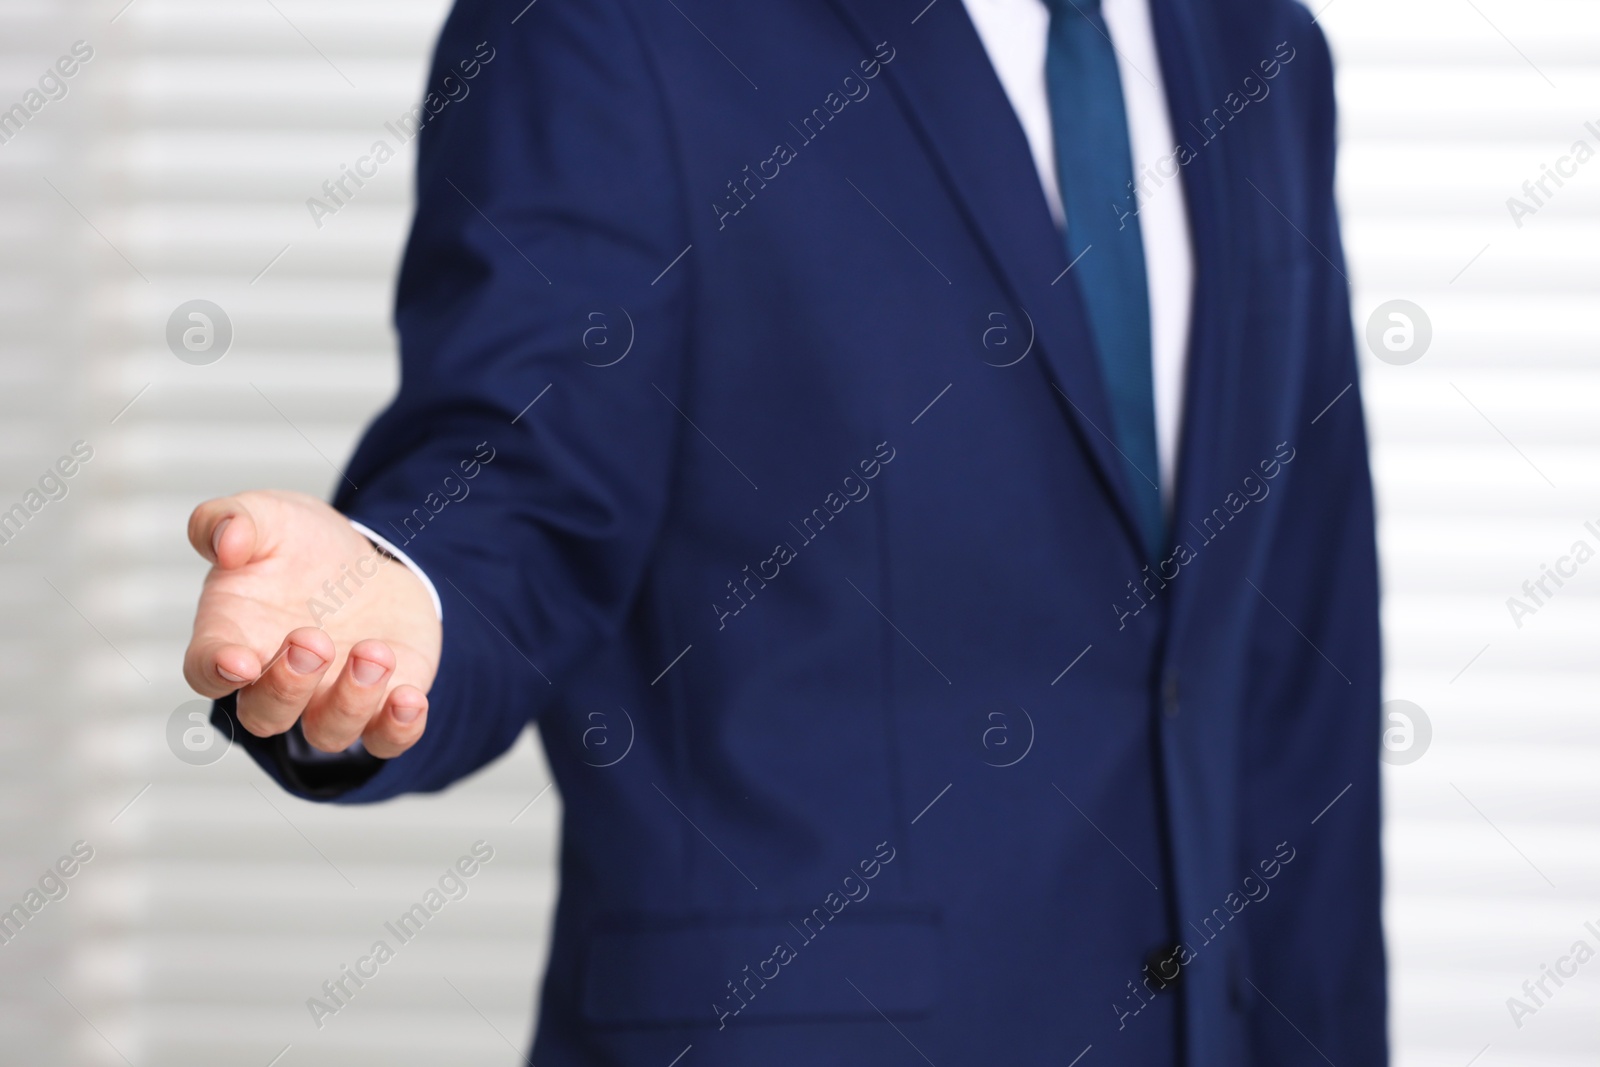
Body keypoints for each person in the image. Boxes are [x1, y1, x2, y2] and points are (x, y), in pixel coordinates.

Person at [183, 0, 1385, 1061]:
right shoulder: (612, 22)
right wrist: (395, 599)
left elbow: (1298, 640)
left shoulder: (1262, 43)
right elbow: (521, 479)